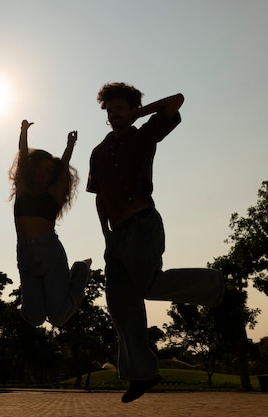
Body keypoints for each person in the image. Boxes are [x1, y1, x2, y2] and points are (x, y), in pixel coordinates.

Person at [86, 82, 224, 403]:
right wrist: (106, 234)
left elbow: (177, 100)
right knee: (121, 305)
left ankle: (213, 284)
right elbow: (99, 197)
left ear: (131, 110)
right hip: (116, 235)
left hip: (143, 224)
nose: (113, 115)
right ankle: (143, 373)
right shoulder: (98, 152)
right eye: (110, 110)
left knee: (147, 285)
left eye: (119, 109)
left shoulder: (143, 135)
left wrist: (139, 114)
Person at [9, 120, 91, 328]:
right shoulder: (23, 190)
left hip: (50, 254)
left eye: (48, 170)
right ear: (33, 170)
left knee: (57, 317)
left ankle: (81, 269)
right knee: (35, 318)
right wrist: (24, 132)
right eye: (40, 168)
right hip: (26, 255)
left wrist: (69, 146)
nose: (43, 172)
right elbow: (22, 158)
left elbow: (63, 170)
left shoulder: (53, 195)